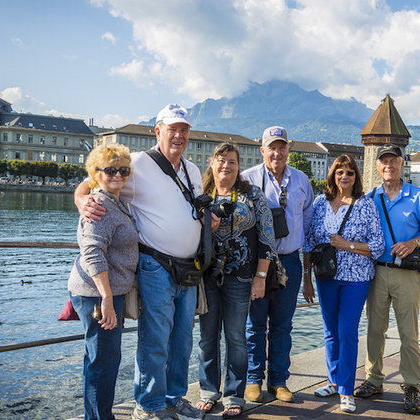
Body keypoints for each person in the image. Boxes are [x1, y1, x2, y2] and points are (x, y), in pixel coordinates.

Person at [75, 104, 213, 420]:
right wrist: (82, 198)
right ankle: (148, 405)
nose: (178, 135)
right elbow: (92, 181)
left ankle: (175, 398)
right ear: (158, 131)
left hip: (189, 269)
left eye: (184, 130)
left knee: (182, 341)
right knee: (155, 340)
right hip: (156, 266)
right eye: (172, 129)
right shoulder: (137, 164)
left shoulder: (192, 171)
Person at [354, 144, 420, 415]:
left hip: (406, 274)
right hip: (376, 270)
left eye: (393, 160)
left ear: (402, 164)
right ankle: (374, 379)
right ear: (377, 166)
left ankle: (412, 385)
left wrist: (413, 242)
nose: (388, 165)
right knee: (375, 330)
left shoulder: (417, 196)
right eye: (383, 161)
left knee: (408, 333)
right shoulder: (370, 197)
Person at [195, 143, 277, 418]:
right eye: (221, 160)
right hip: (205, 276)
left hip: (241, 277)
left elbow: (267, 239)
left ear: (238, 165)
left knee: (236, 337)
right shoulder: (200, 193)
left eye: (231, 161)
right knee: (207, 337)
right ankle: (208, 390)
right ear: (212, 162)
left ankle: (234, 394)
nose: (225, 166)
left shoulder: (252, 195)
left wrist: (260, 278)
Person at [302, 155, 384, 413]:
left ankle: (346, 390)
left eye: (349, 172)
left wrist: (348, 245)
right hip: (325, 276)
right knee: (330, 331)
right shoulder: (319, 203)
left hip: (356, 278)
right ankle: (333, 381)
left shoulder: (366, 205)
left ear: (355, 177)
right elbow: (308, 242)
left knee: (347, 330)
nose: (344, 177)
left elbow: (379, 247)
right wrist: (306, 278)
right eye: (340, 172)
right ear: (333, 175)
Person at [240, 126, 314, 403]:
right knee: (255, 325)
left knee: (282, 326)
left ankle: (279, 381)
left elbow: (307, 224)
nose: (277, 152)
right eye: (272, 147)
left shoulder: (301, 180)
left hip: (290, 261)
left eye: (282, 147)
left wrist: (307, 272)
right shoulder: (247, 179)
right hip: (257, 263)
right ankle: (253, 381)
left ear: (288, 150)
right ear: (262, 150)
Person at [68, 144, 138, 420]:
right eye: (110, 170)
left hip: (105, 294)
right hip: (98, 296)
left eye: (123, 170)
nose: (118, 175)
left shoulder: (114, 201)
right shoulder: (99, 206)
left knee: (104, 359)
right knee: (103, 362)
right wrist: (107, 299)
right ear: (96, 174)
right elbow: (93, 253)